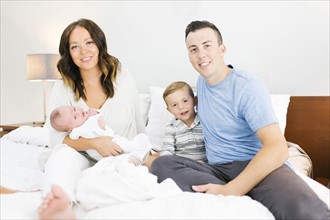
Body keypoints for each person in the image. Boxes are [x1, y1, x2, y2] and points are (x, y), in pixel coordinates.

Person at [149, 20, 330, 219]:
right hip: (216, 169)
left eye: (207, 45)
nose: (201, 55)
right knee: (161, 165)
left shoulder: (247, 86)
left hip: (258, 166)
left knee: (307, 209)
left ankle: (242, 188)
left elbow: (277, 148)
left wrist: (233, 189)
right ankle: (237, 190)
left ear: (222, 48)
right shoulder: (201, 83)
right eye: (194, 49)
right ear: (189, 56)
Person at [39, 18, 145, 219]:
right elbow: (56, 140)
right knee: (60, 156)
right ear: (68, 53)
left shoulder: (123, 78)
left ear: (99, 44)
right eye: (74, 47)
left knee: (136, 178)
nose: (83, 51)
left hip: (120, 156)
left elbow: (138, 121)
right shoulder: (62, 88)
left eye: (89, 43)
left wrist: (144, 151)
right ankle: (60, 205)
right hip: (83, 156)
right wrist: (95, 143)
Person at [50, 105, 151, 162]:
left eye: (74, 109)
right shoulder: (77, 131)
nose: (77, 112)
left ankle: (138, 153)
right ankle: (138, 154)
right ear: (69, 129)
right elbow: (99, 126)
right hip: (104, 152)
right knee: (129, 148)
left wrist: (93, 114)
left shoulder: (86, 120)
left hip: (113, 141)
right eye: (75, 117)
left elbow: (100, 120)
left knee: (136, 140)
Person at [146, 81, 206, 168]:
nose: (181, 107)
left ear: (195, 101)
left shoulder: (204, 121)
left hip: (204, 165)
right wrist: (166, 160)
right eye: (174, 105)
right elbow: (167, 150)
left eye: (185, 101)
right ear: (169, 110)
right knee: (160, 162)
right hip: (182, 165)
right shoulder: (171, 127)